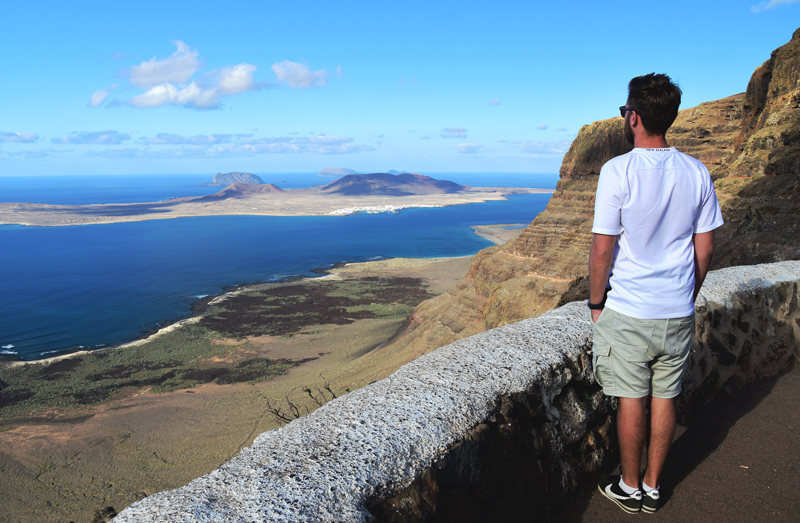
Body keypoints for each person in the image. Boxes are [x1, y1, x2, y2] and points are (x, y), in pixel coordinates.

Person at [588, 73, 724, 515]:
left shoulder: (618, 171)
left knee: (633, 399)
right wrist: (687, 291)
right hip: (676, 309)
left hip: (629, 309)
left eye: (625, 111)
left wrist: (595, 304)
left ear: (634, 117)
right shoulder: (697, 171)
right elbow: (704, 248)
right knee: (665, 397)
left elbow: (602, 248)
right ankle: (652, 485)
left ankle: (629, 487)